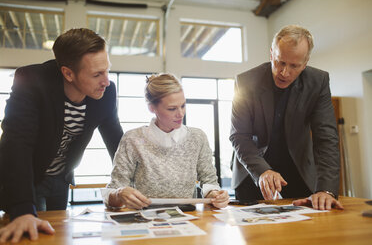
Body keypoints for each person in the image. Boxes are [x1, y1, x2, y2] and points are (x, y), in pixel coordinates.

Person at [0, 28, 123, 242]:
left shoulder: (106, 92)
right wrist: (22, 210)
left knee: (59, 234)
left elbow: (116, 141)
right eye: (97, 74)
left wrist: (128, 185)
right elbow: (17, 143)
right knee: (33, 233)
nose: (106, 81)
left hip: (62, 176)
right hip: (28, 177)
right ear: (68, 73)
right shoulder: (31, 80)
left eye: (107, 70)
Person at [230, 25, 343, 211]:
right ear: (271, 54)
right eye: (280, 62)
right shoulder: (246, 82)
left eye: (294, 66)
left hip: (298, 169)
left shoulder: (318, 82)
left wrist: (326, 190)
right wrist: (262, 171)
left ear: (305, 63)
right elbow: (239, 136)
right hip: (253, 168)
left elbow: (326, 139)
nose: (284, 72)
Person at [103, 73, 229, 209]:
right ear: (152, 108)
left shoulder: (197, 137)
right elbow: (113, 191)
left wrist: (216, 195)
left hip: (187, 217)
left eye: (183, 106)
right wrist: (119, 193)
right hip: (145, 218)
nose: (180, 114)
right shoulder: (133, 139)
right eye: (172, 108)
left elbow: (209, 182)